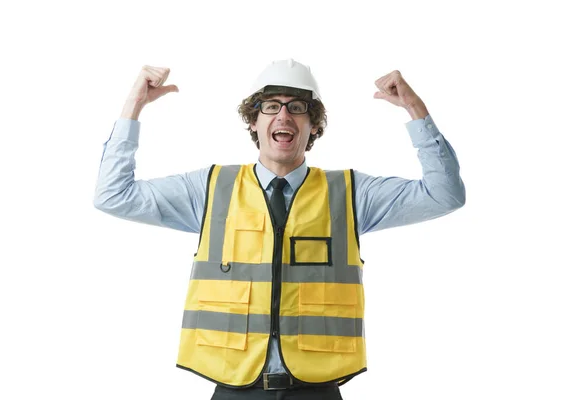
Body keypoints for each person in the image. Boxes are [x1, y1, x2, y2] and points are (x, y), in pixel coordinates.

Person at [93, 59, 466, 400]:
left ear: (314, 125)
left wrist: (415, 110)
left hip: (317, 390)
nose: (283, 115)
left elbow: (444, 195)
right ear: (253, 122)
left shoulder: (351, 194)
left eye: (297, 107)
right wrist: (134, 106)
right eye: (271, 106)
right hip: (234, 388)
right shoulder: (209, 189)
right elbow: (113, 195)